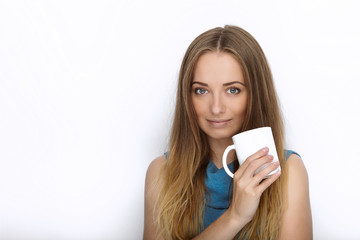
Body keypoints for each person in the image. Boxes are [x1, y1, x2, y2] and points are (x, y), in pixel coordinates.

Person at [144, 25, 312, 239]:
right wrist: (235, 217)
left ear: (255, 94)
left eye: (233, 90)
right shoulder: (161, 173)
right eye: (201, 90)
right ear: (187, 97)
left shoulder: (287, 171)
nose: (216, 107)